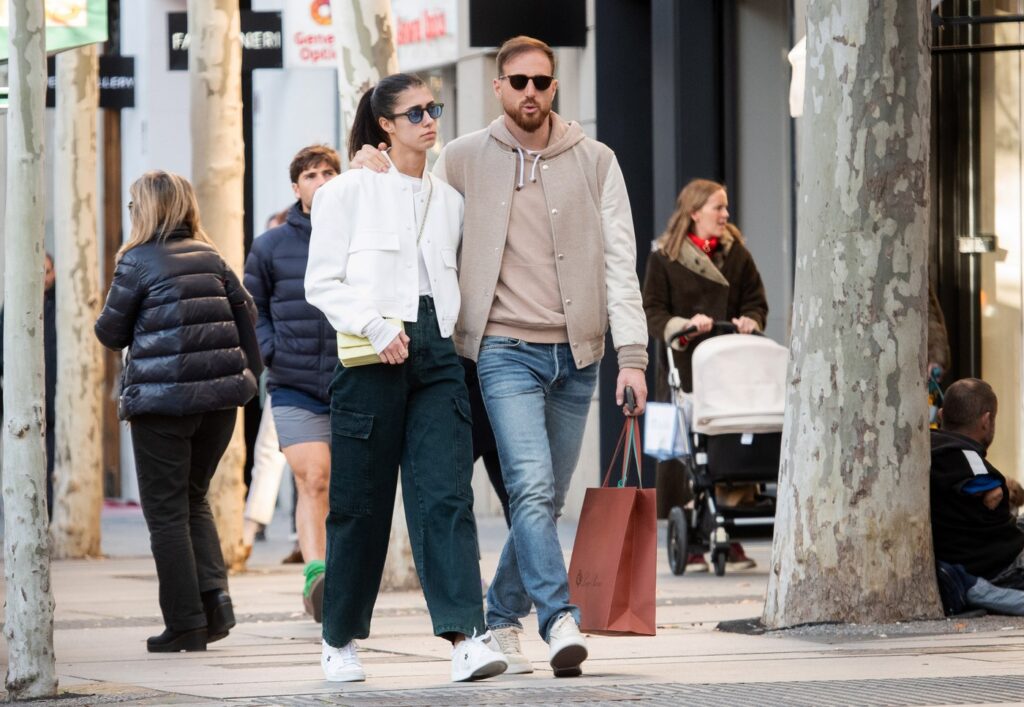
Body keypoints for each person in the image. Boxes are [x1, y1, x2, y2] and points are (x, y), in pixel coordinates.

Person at [354, 35, 648, 678]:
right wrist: (365, 164)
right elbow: (408, 202)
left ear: (555, 85)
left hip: (579, 356)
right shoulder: (461, 158)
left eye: (542, 82)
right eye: (518, 82)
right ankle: (558, 618)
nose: (531, 93)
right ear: (498, 87)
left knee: (544, 499)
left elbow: (622, 265)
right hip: (501, 351)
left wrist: (633, 355)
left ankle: (500, 614)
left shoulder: (597, 160)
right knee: (531, 488)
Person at [305, 73, 508, 684]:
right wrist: (374, 325)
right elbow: (321, 282)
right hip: (371, 357)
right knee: (359, 507)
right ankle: (339, 638)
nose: (429, 119)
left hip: (437, 354)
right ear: (385, 125)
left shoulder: (449, 199)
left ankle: (466, 636)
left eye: (434, 108)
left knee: (447, 497)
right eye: (414, 112)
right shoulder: (347, 192)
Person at [94, 171, 258, 652]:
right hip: (221, 403)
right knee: (193, 500)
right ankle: (216, 606)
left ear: (145, 210)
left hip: (163, 406)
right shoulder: (213, 257)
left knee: (166, 513)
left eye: (131, 205)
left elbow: (110, 332)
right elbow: (247, 317)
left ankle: (185, 623)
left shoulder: (136, 262)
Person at [642, 178, 768, 573]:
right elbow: (653, 312)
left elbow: (756, 300)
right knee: (688, 452)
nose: (726, 215)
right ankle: (695, 535)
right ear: (695, 212)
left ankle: (727, 530)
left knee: (732, 438)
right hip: (685, 370)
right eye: (719, 208)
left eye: (726, 208)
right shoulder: (664, 258)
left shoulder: (737, 254)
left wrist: (751, 320)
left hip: (731, 367)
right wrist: (682, 325)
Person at [243, 144, 341, 621]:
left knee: (343, 488)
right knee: (313, 478)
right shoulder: (271, 246)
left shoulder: (356, 236)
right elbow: (250, 305)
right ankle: (317, 573)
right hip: (294, 384)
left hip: (351, 379)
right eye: (311, 175)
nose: (320, 182)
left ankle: (341, 575)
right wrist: (270, 354)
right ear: (296, 187)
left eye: (328, 173)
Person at [930, 378, 1024, 591]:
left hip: (958, 556)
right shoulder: (967, 458)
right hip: (999, 567)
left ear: (942, 415)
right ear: (986, 421)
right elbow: (989, 493)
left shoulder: (928, 447)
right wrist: (994, 488)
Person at [0, 252, 57, 520]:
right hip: (22, 403)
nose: (43, 278)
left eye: (46, 272)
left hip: (56, 401)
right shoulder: (12, 304)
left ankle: (49, 520)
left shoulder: (61, 306)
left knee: (52, 466)